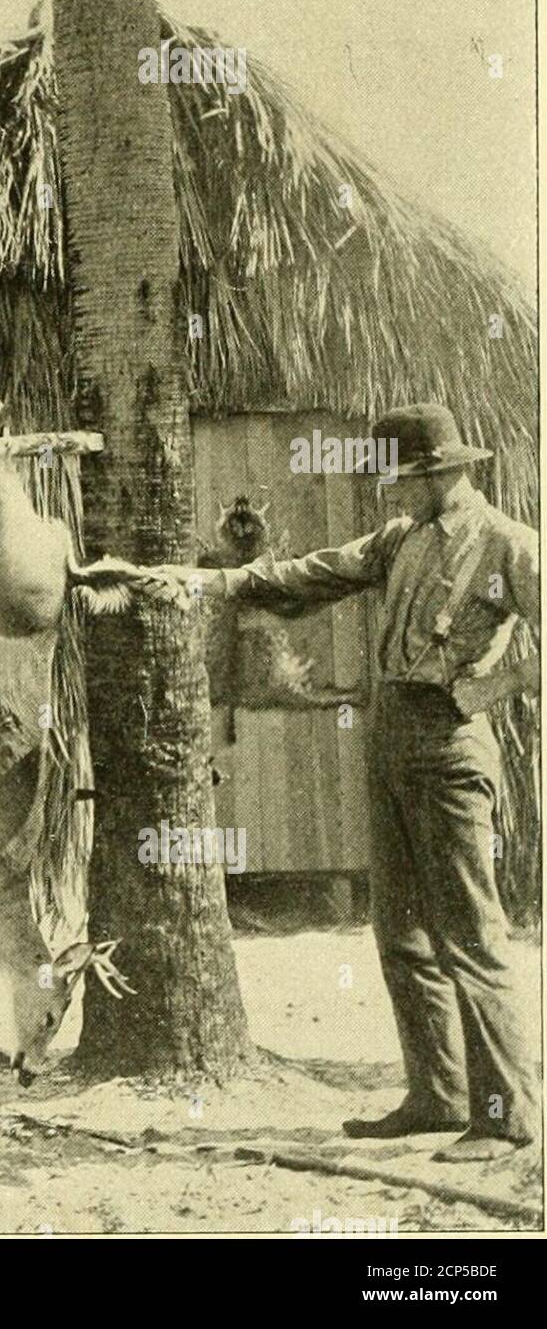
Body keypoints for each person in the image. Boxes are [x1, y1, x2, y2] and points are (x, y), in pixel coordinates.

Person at [159, 403, 539, 1162]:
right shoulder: (399, 540)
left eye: (402, 480)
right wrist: (220, 584)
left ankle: (505, 1115)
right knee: (399, 929)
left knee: (469, 933)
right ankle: (439, 1096)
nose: (391, 494)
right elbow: (315, 572)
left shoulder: (508, 543)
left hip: (451, 741)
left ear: (442, 474)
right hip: (391, 729)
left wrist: (487, 692)